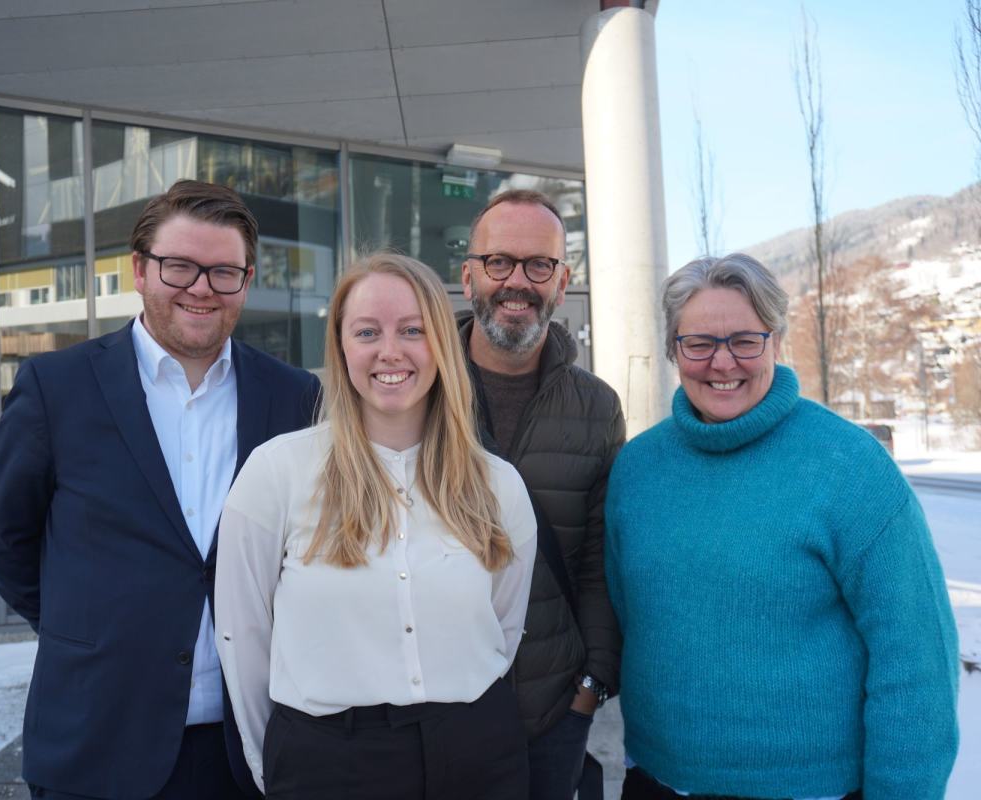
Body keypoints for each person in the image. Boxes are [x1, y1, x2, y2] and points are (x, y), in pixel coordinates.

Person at [0, 180, 320, 799]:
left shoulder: (293, 395)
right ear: (138, 269)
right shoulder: (57, 387)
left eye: (223, 272)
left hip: (250, 748)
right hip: (97, 738)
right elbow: (3, 535)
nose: (201, 288)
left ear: (246, 279)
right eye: (179, 266)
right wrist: (84, 626)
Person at [605, 253, 959, 800]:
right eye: (699, 343)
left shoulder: (850, 468)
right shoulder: (637, 470)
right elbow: (633, 619)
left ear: (776, 340)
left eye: (745, 340)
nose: (723, 363)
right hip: (656, 781)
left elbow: (915, 659)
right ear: (675, 349)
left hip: (811, 789)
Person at [215, 253, 538, 799]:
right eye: (367, 331)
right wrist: (276, 765)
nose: (391, 351)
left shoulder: (498, 484)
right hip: (328, 765)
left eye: (413, 330)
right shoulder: (277, 473)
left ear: (440, 343)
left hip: (478, 757)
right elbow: (243, 638)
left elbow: (503, 628)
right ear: (341, 348)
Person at [459, 189, 626, 800]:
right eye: (499, 262)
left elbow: (599, 561)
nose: (517, 282)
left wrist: (591, 686)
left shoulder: (598, 407)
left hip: (552, 715)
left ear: (563, 280)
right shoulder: (416, 389)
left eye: (539, 265)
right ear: (469, 273)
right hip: (432, 710)